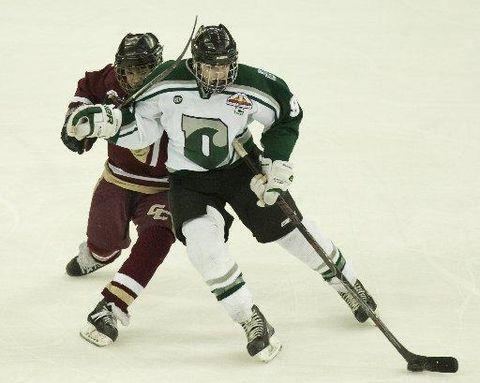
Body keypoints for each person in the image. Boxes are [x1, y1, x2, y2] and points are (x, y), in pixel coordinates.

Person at [65, 24, 377, 361]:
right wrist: (107, 124)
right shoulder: (166, 83)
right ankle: (249, 318)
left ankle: (348, 284)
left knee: (289, 229)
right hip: (189, 181)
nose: (218, 74)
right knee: (202, 246)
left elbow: (287, 114)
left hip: (242, 170)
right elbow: (143, 131)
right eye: (211, 66)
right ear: (195, 63)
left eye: (225, 65)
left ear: (234, 61)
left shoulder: (254, 83)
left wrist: (276, 165)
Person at [61, 32, 175, 347]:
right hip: (118, 179)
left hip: (164, 188)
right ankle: (100, 254)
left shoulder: (173, 91)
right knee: (103, 243)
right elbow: (88, 87)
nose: (135, 76)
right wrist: (75, 121)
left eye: (143, 69)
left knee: (157, 239)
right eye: (129, 69)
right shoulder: (113, 78)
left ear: (156, 66)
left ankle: (113, 305)